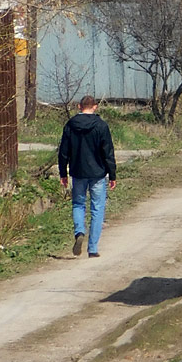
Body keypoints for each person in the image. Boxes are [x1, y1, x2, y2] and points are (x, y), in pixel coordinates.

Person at [58, 95, 117, 258]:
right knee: (97, 209)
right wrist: (112, 174)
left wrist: (63, 172)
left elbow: (63, 152)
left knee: (78, 204)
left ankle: (79, 232)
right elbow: (108, 152)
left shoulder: (70, 125)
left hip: (78, 172)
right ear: (95, 107)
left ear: (79, 106)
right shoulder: (101, 126)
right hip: (98, 173)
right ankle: (92, 249)